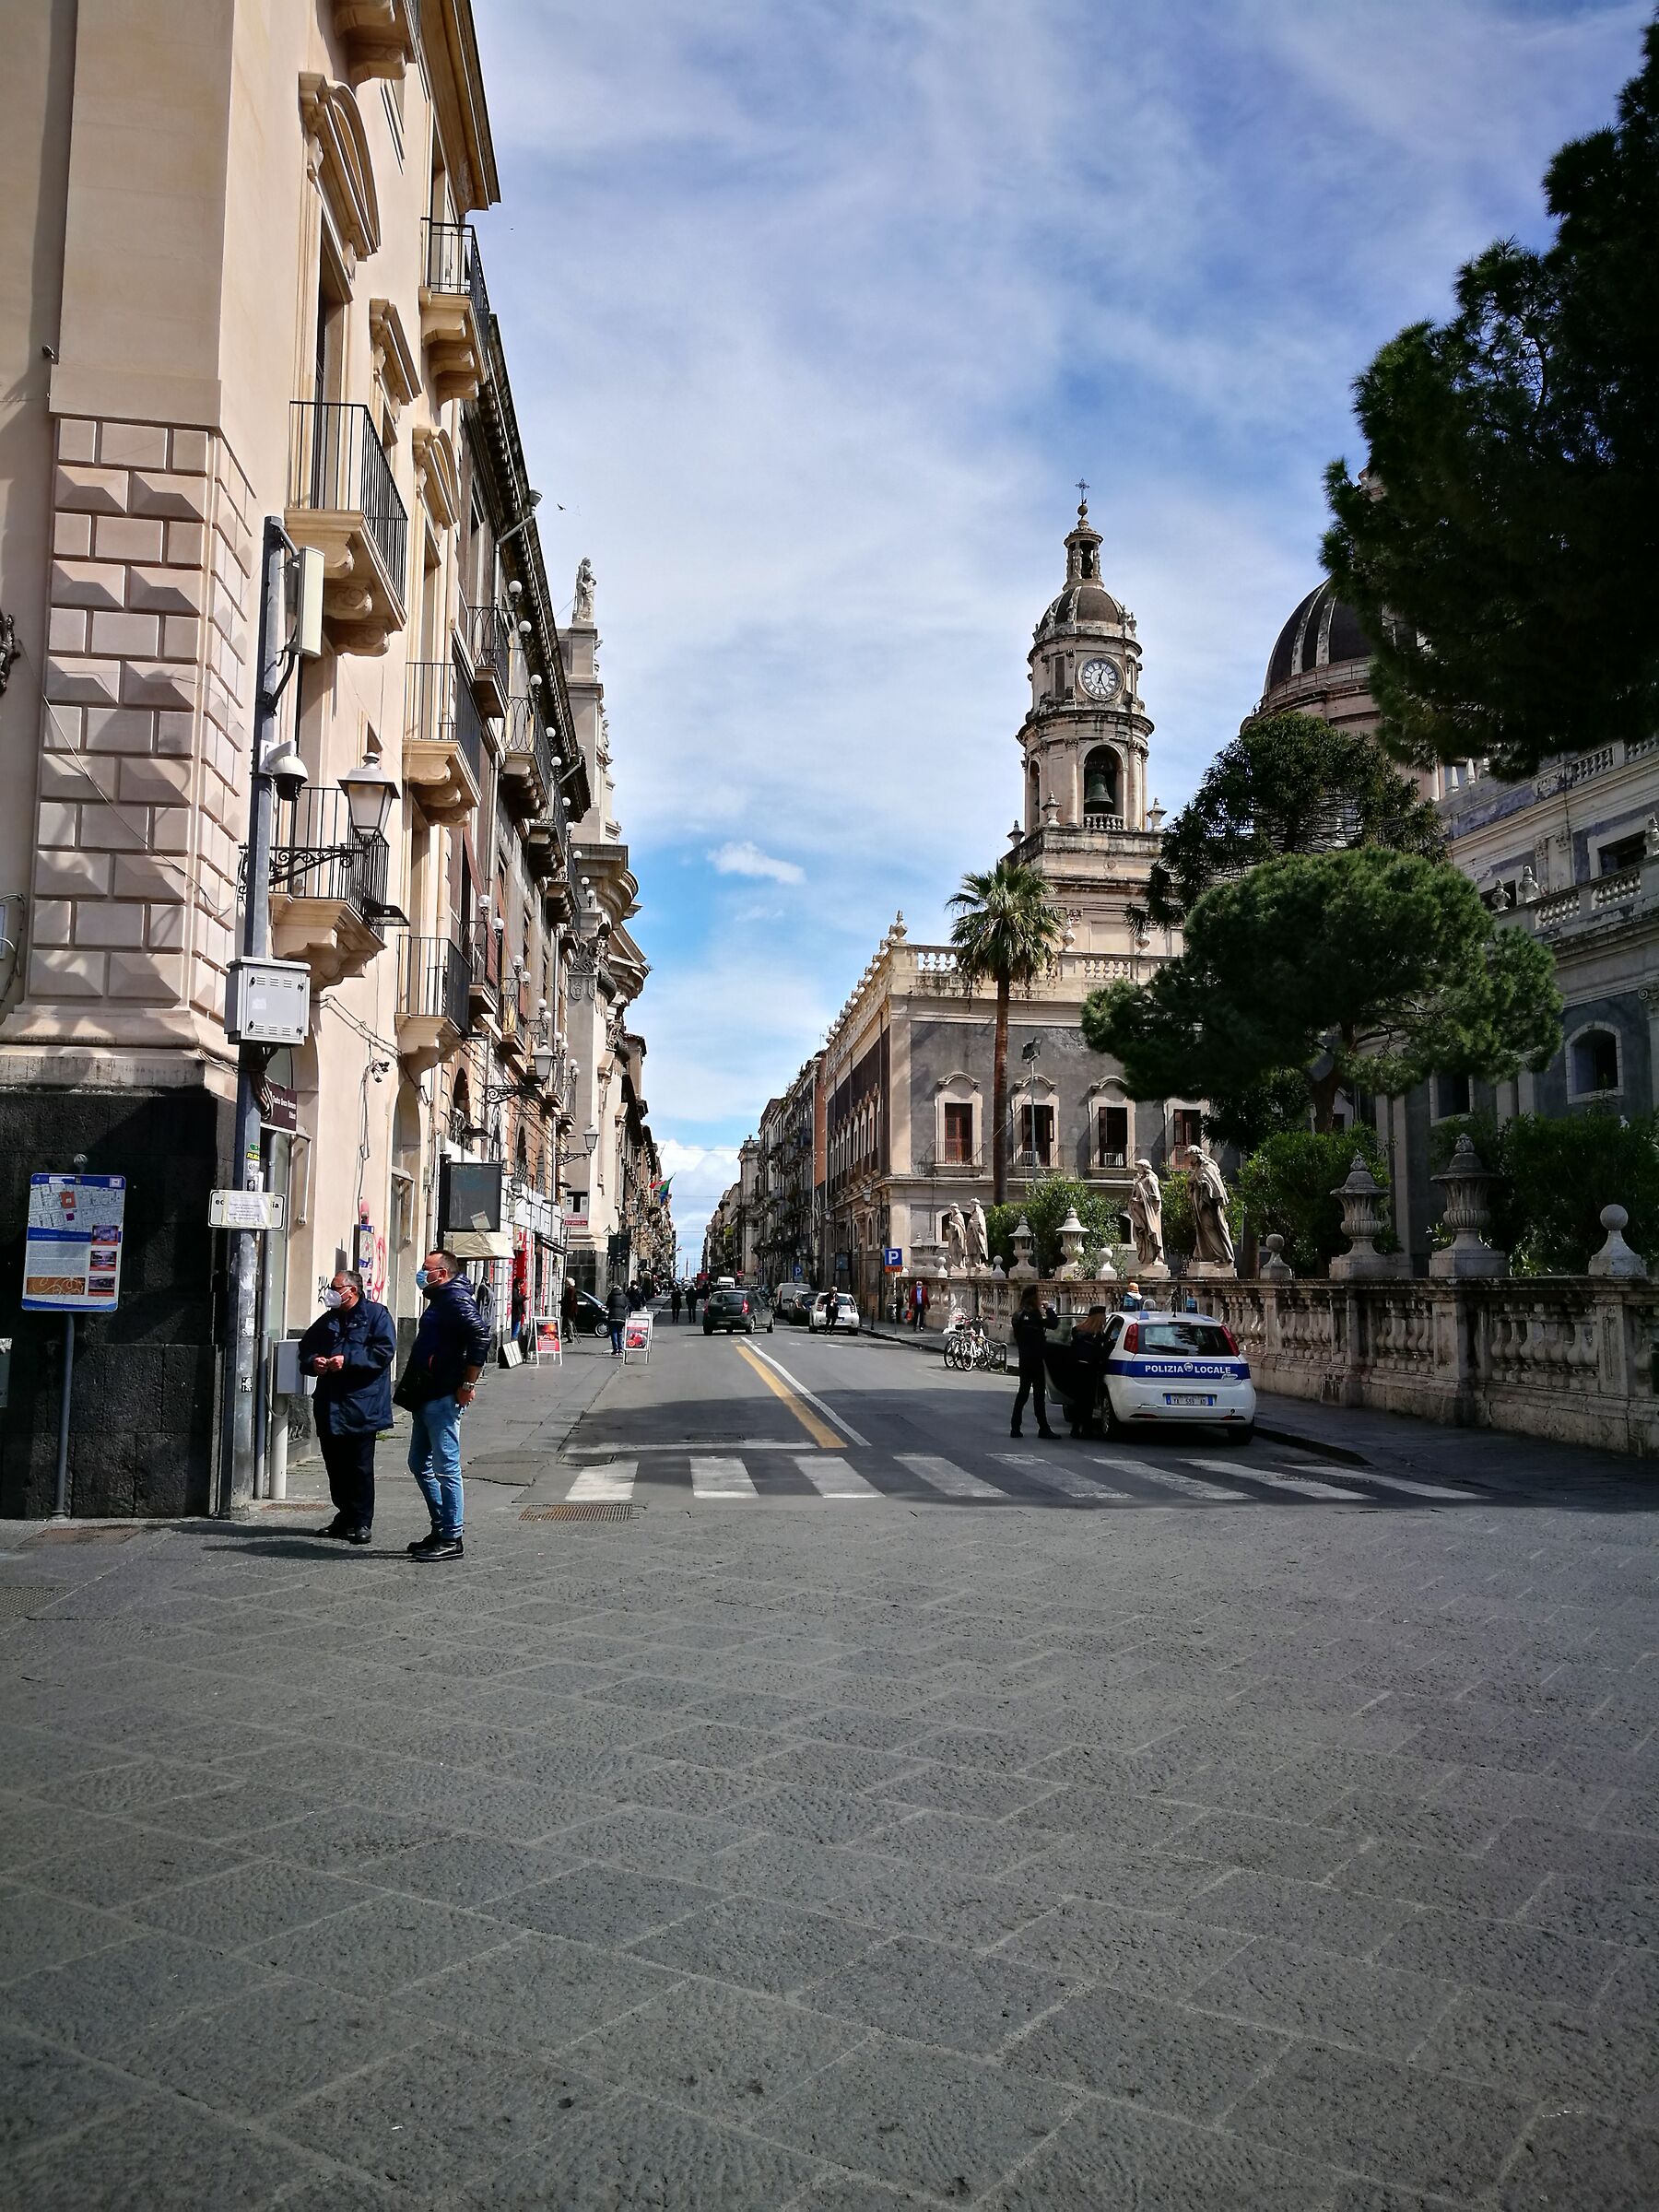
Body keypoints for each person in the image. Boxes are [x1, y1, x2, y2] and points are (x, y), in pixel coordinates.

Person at [396, 1251, 488, 1562]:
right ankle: (441, 1526)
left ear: (443, 1272)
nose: (422, 1273)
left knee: (446, 1468)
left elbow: (480, 1335)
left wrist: (468, 1384)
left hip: (442, 1396)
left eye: (427, 1268)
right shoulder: (441, 1298)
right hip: (427, 1392)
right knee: (418, 1462)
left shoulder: (454, 1299)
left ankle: (452, 1536)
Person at [298, 1269, 395, 1545]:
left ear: (351, 1290)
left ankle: (362, 1520)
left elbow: (383, 1352)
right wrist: (313, 1362)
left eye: (335, 1286)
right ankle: (345, 1515)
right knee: (335, 1465)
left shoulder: (376, 1315)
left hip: (362, 1405)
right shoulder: (328, 1319)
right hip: (330, 1403)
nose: (331, 1291)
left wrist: (348, 1360)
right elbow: (306, 1348)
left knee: (360, 1466)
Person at [1009, 1287, 1057, 1439]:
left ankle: (1015, 1427)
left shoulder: (1018, 1315)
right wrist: (1048, 1309)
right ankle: (1043, 1428)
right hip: (1036, 1359)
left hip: (1024, 1358)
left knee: (1022, 1393)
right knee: (1038, 1396)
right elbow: (1053, 1324)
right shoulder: (1034, 1315)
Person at [606, 1279, 629, 1355]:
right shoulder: (623, 1296)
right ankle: (620, 1348)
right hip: (621, 1316)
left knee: (614, 1332)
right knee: (620, 1332)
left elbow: (607, 1305)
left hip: (612, 1315)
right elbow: (626, 1305)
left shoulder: (611, 1296)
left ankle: (615, 1349)